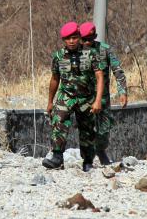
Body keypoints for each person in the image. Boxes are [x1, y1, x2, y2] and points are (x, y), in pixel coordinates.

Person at [42, 21, 106, 172]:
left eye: (74, 38)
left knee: (87, 130)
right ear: (63, 40)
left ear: (79, 37)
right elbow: (54, 79)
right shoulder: (59, 56)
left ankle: (88, 161)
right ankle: (57, 157)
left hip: (86, 98)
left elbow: (99, 77)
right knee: (59, 121)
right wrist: (50, 102)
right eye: (68, 39)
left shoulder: (90, 54)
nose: (71, 41)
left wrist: (98, 101)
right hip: (66, 96)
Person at [79, 22, 128, 165]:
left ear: (94, 37)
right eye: (84, 39)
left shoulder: (104, 50)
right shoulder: (76, 51)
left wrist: (122, 91)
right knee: (85, 129)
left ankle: (101, 150)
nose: (87, 42)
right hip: (84, 98)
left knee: (104, 129)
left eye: (90, 39)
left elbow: (118, 71)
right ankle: (87, 157)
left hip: (103, 98)